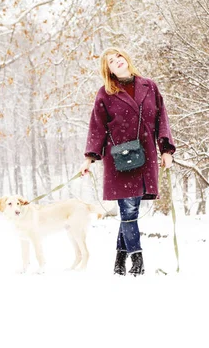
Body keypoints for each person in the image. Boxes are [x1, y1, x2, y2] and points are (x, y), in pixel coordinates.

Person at [79, 47, 176, 276]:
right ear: (109, 70)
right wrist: (89, 158)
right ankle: (137, 261)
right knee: (129, 210)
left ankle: (119, 261)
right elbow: (97, 126)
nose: (117, 61)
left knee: (129, 211)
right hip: (119, 160)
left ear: (126, 58)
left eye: (119, 56)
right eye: (111, 61)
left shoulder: (149, 86)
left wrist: (166, 150)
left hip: (146, 156)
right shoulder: (105, 93)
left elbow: (162, 118)